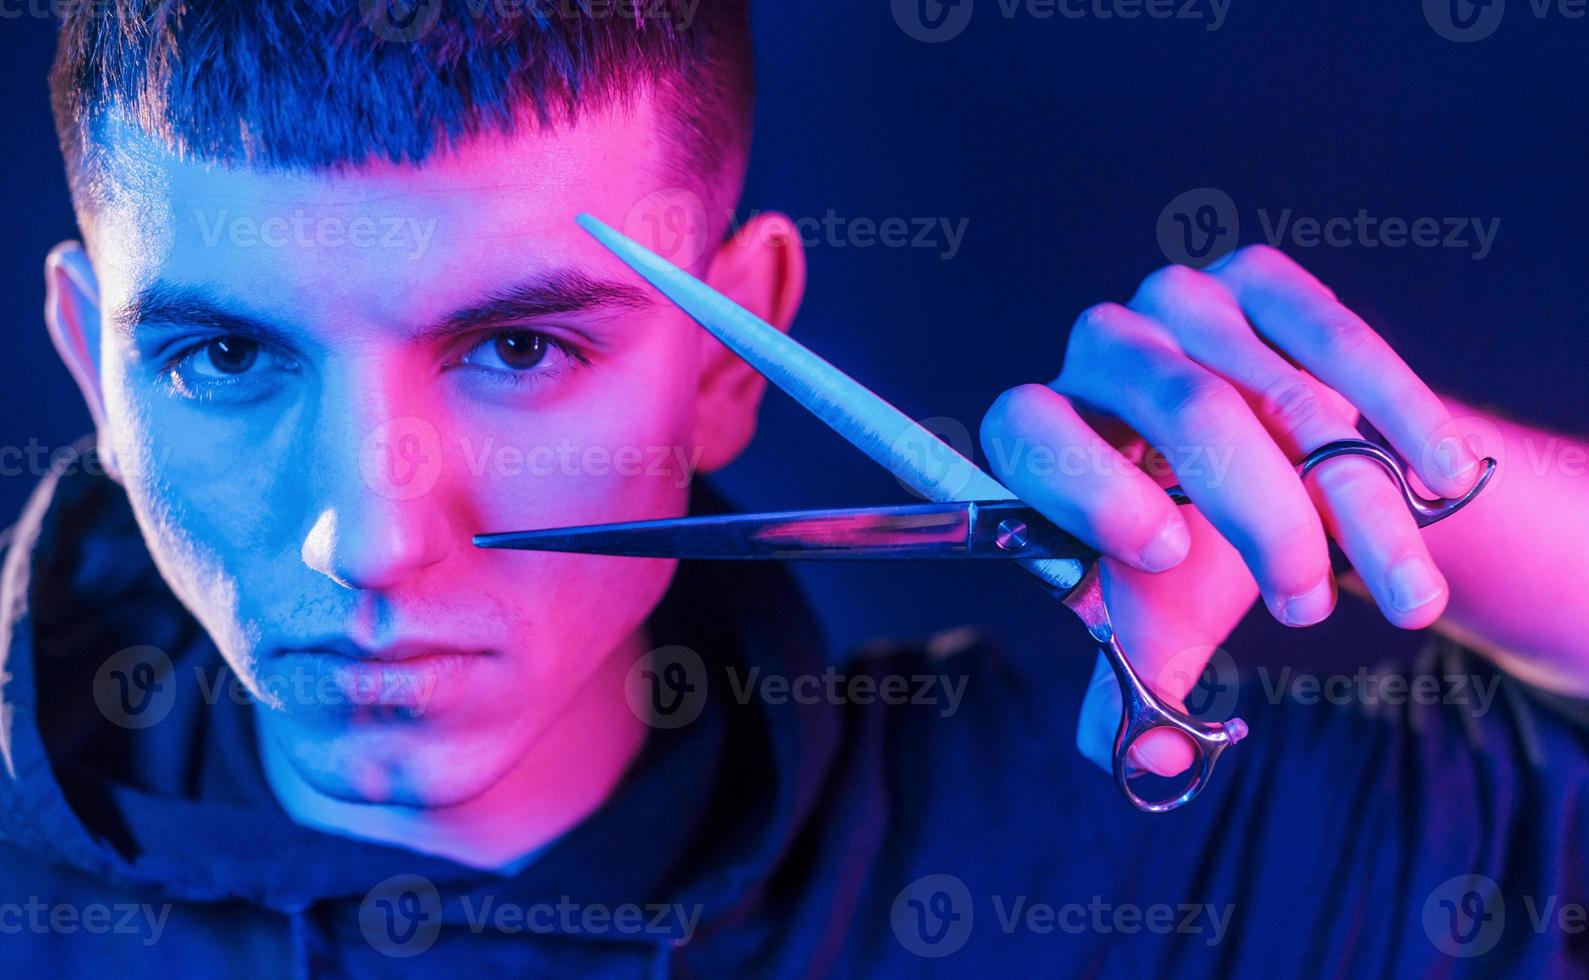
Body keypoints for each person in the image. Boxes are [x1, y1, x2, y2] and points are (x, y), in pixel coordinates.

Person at [4, 1, 1585, 975]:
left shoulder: (1119, 863)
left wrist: (1401, 470)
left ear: (725, 353)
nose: (368, 542)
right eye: (223, 360)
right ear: (90, 361)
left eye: (518, 350)